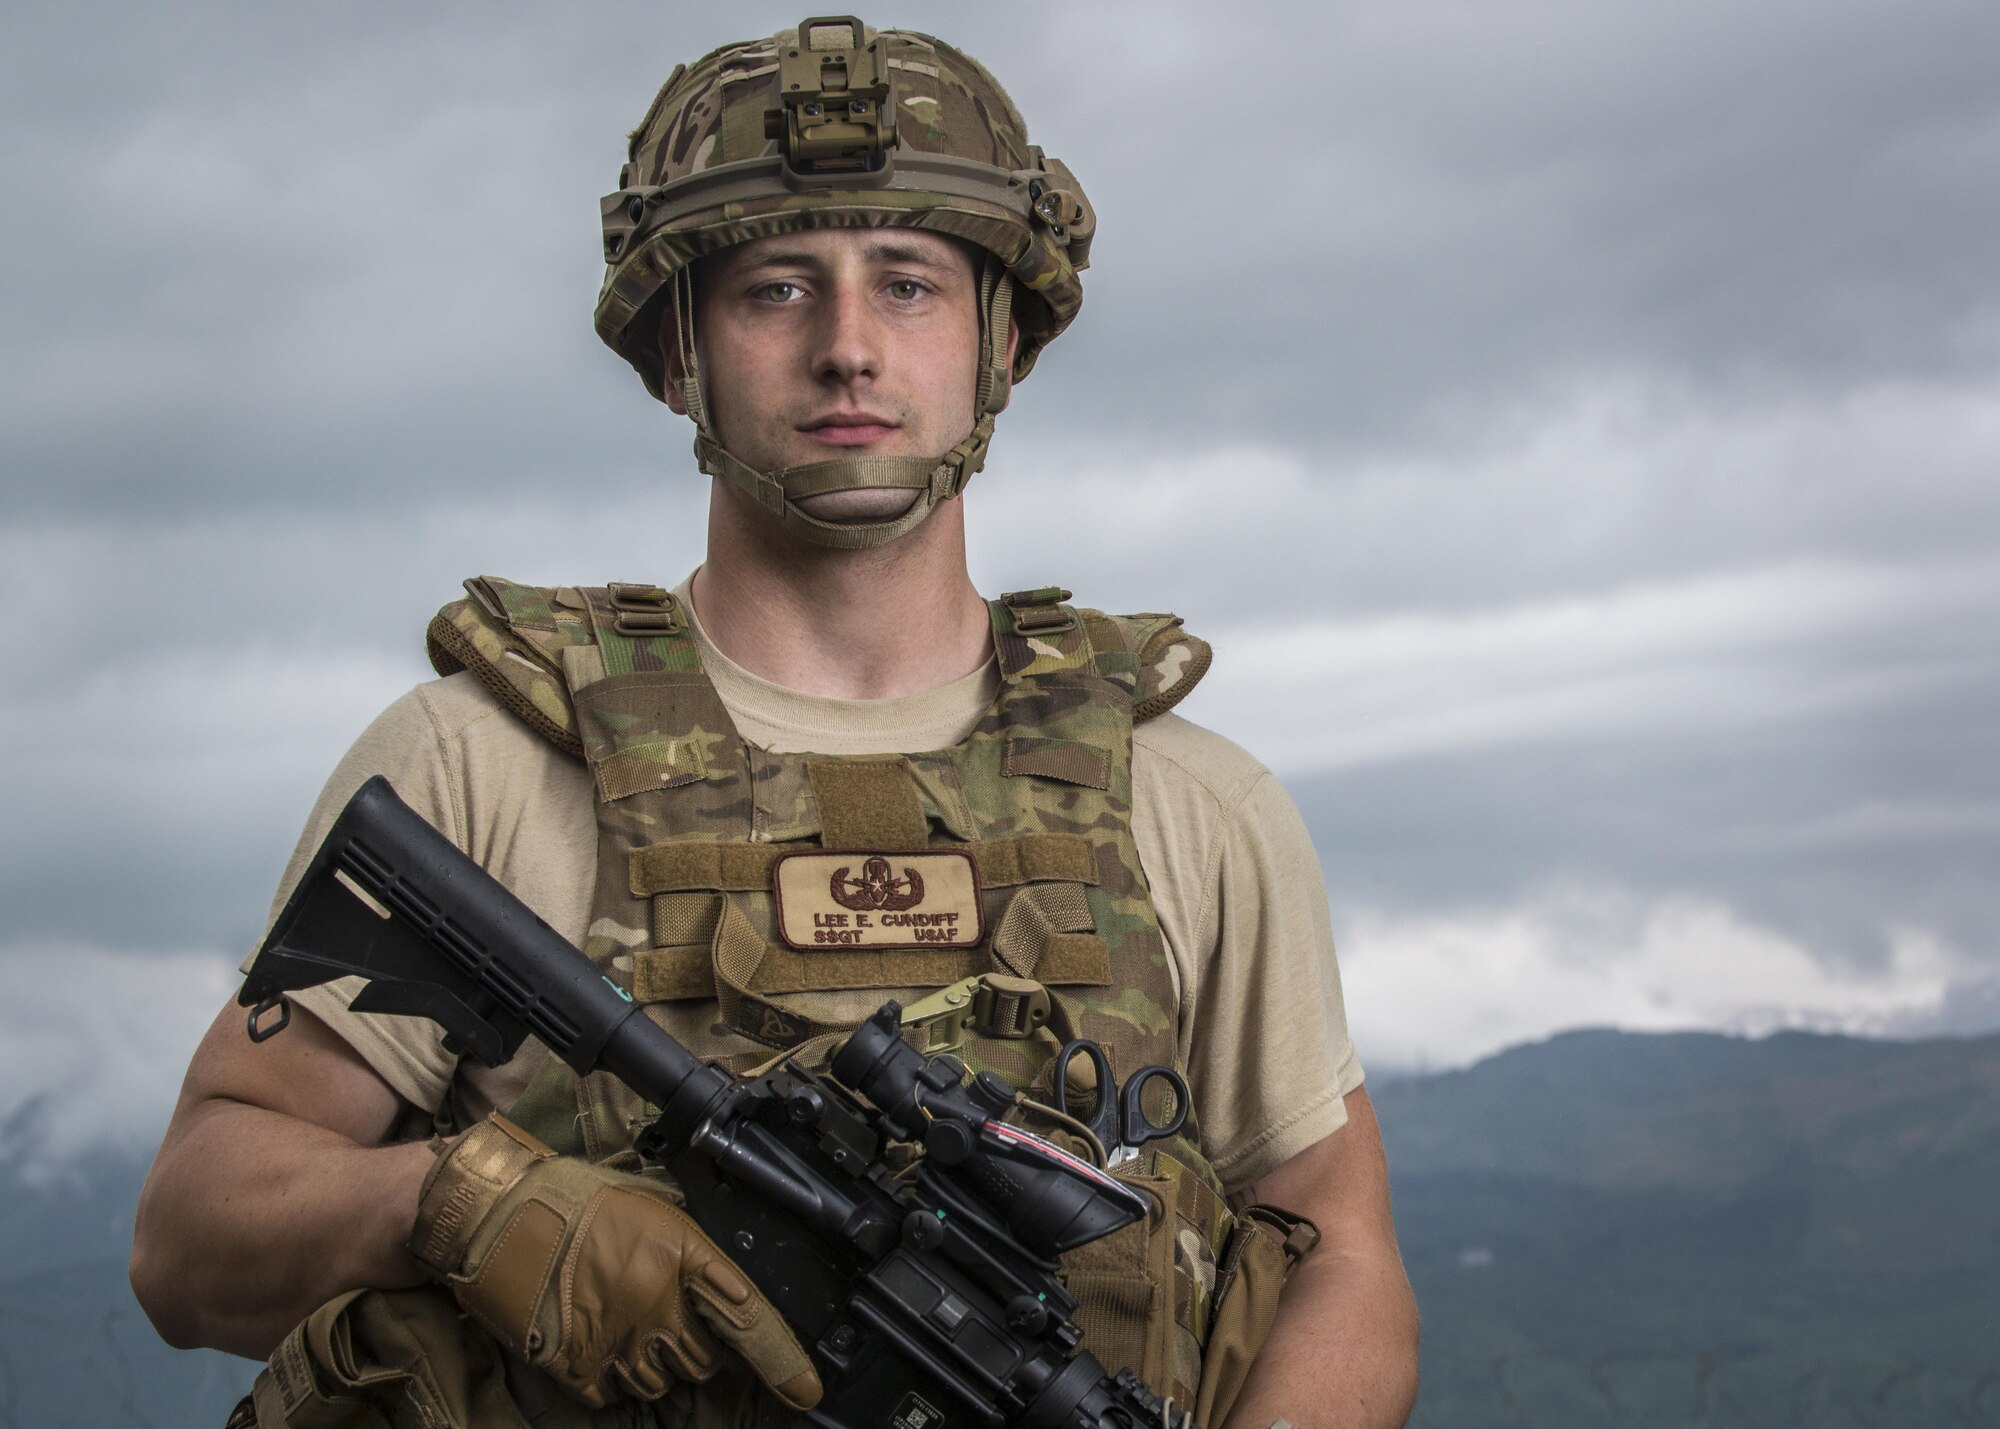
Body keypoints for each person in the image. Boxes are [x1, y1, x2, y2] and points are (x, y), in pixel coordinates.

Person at [131, 19, 1419, 1429]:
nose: (848, 349)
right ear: (680, 353)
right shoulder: (481, 762)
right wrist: (462, 1201)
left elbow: (1341, 1256)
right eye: (778, 286)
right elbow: (191, 1240)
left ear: (999, 345)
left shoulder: (1188, 799)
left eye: (911, 285)